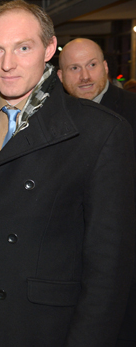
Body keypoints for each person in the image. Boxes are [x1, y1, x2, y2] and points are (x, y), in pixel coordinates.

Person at [0, 0, 135, 346]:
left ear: (49, 49)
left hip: (41, 328)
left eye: (23, 47)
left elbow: (109, 270)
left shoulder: (100, 131)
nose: (8, 64)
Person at [58, 37, 136, 346]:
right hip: (68, 261)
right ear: (61, 77)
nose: (85, 76)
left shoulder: (131, 112)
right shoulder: (51, 117)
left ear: (105, 68)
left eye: (92, 65)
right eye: (74, 68)